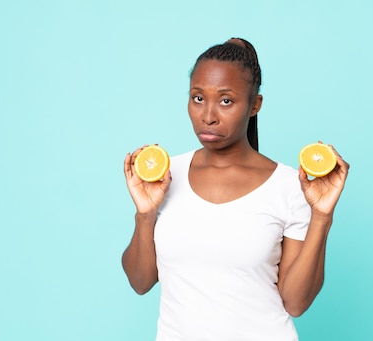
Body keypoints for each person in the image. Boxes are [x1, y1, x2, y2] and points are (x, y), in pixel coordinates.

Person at [122, 37, 350, 341]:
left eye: (226, 100)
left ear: (255, 105)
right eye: (198, 98)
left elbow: (295, 303)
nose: (208, 115)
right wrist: (145, 215)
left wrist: (322, 217)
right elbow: (140, 282)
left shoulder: (290, 186)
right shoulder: (163, 176)